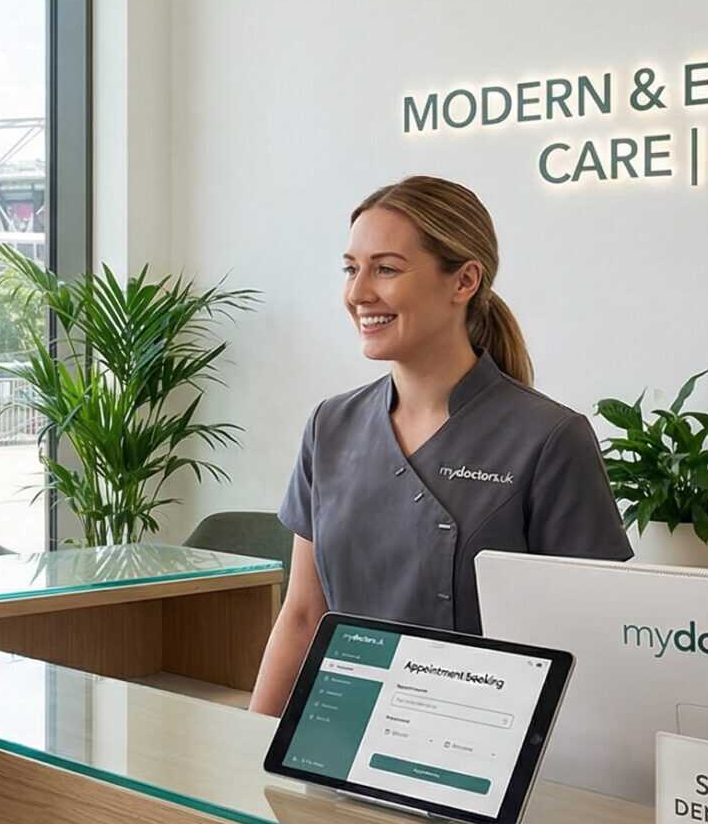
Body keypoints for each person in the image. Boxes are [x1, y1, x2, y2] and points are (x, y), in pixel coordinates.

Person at [248, 176, 632, 717]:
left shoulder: (548, 439)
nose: (358, 293)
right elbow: (303, 615)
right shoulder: (330, 426)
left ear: (464, 281)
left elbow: (588, 643)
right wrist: (250, 749)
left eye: (386, 268)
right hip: (336, 733)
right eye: (351, 268)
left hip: (477, 749)